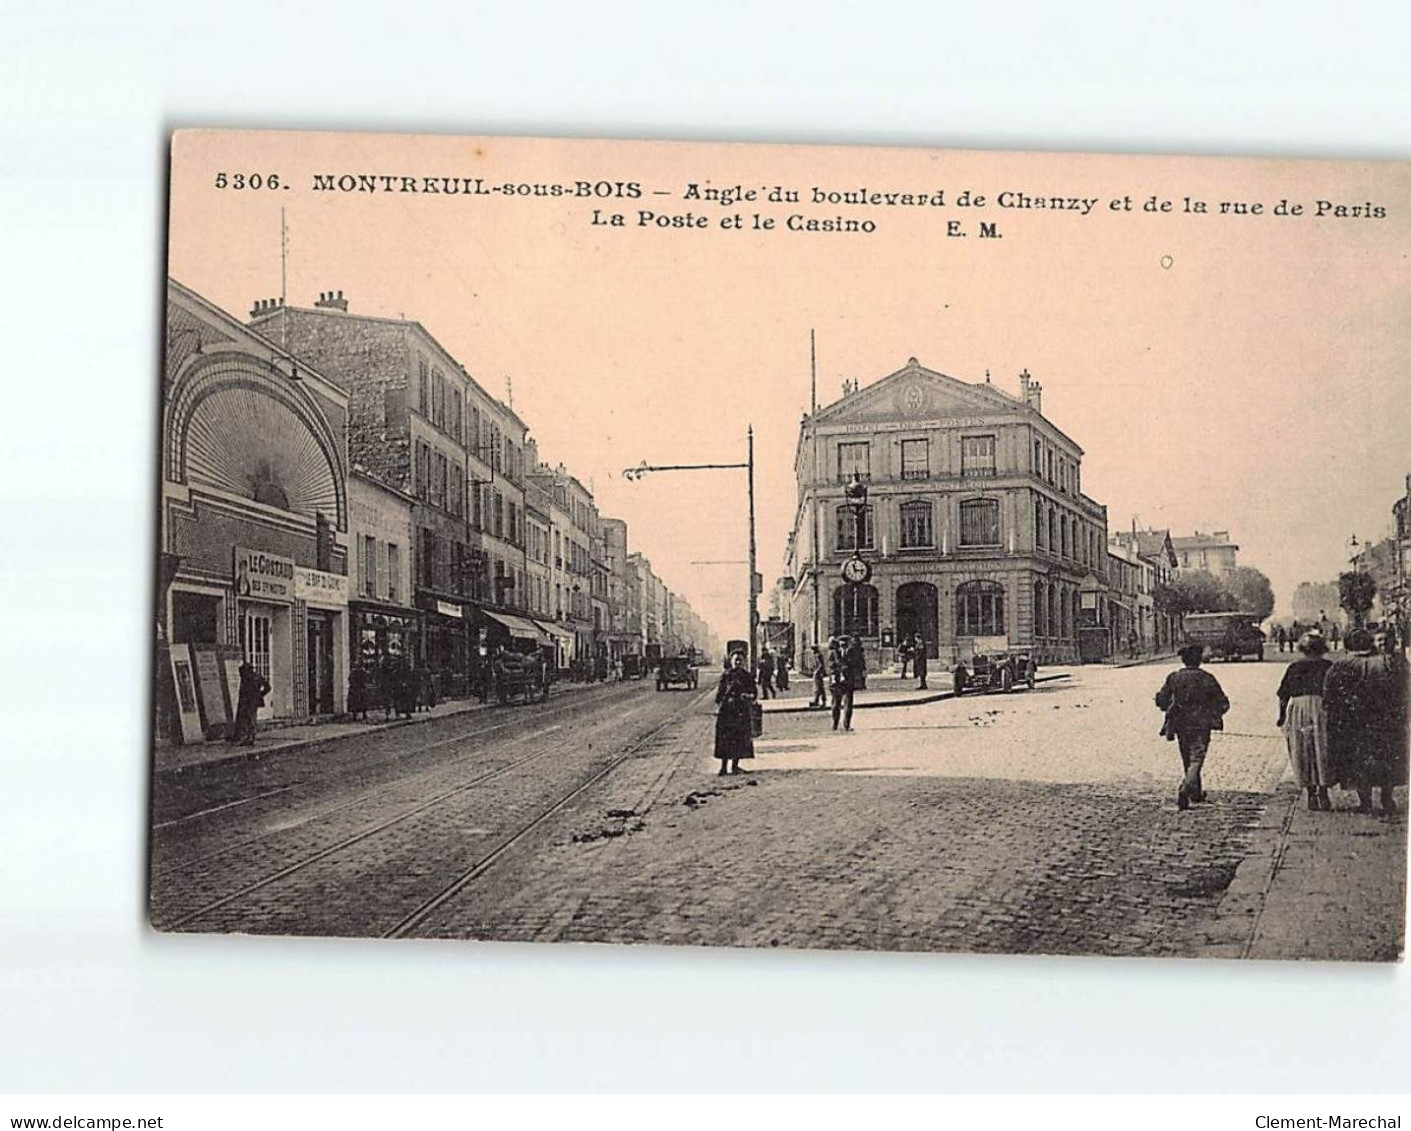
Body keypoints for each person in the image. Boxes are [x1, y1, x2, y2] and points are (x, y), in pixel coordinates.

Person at [1324, 628, 1407, 816]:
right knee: (1386, 759)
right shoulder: (1390, 662)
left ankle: (1367, 801)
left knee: (1362, 761)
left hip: (1358, 721)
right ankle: (1385, 798)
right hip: (1385, 719)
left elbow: (1330, 694)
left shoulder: (1343, 664)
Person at [1154, 643, 1230, 810]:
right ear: (1199, 661)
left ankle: (1195, 792)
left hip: (1180, 723)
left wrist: (1166, 706)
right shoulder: (1207, 678)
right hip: (1201, 723)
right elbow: (1223, 702)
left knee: (1187, 757)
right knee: (1197, 757)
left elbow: (1162, 699)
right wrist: (1215, 713)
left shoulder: (1174, 677)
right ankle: (1186, 788)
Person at [1276, 631, 1334, 811]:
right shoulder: (1329, 666)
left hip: (1299, 710)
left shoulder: (1295, 667)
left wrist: (1282, 716)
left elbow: (1283, 695)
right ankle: (1323, 792)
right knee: (1322, 749)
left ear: (1303, 649)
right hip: (1322, 708)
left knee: (1303, 750)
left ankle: (1310, 794)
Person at [714, 649, 757, 776]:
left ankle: (735, 766)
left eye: (740, 660)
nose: (738, 662)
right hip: (727, 713)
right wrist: (725, 701)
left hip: (741, 712)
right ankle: (723, 767)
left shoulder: (747, 676)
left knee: (739, 739)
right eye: (735, 660)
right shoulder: (726, 676)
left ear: (744, 662)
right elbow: (718, 696)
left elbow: (754, 693)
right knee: (724, 739)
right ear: (731, 661)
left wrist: (747, 696)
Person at [228, 659, 270, 746]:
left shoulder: (248, 679)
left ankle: (249, 737)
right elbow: (267, 687)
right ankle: (250, 737)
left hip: (249, 702)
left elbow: (267, 687)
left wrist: (260, 695)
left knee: (249, 720)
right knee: (250, 719)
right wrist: (260, 695)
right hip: (252, 702)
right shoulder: (255, 677)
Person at [829, 638, 854, 731]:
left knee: (848, 704)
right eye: (842, 644)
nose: (843, 646)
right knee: (836, 704)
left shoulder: (851, 653)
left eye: (845, 644)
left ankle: (847, 725)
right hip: (837, 682)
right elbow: (831, 666)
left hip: (848, 681)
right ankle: (835, 723)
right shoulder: (833, 653)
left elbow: (855, 664)